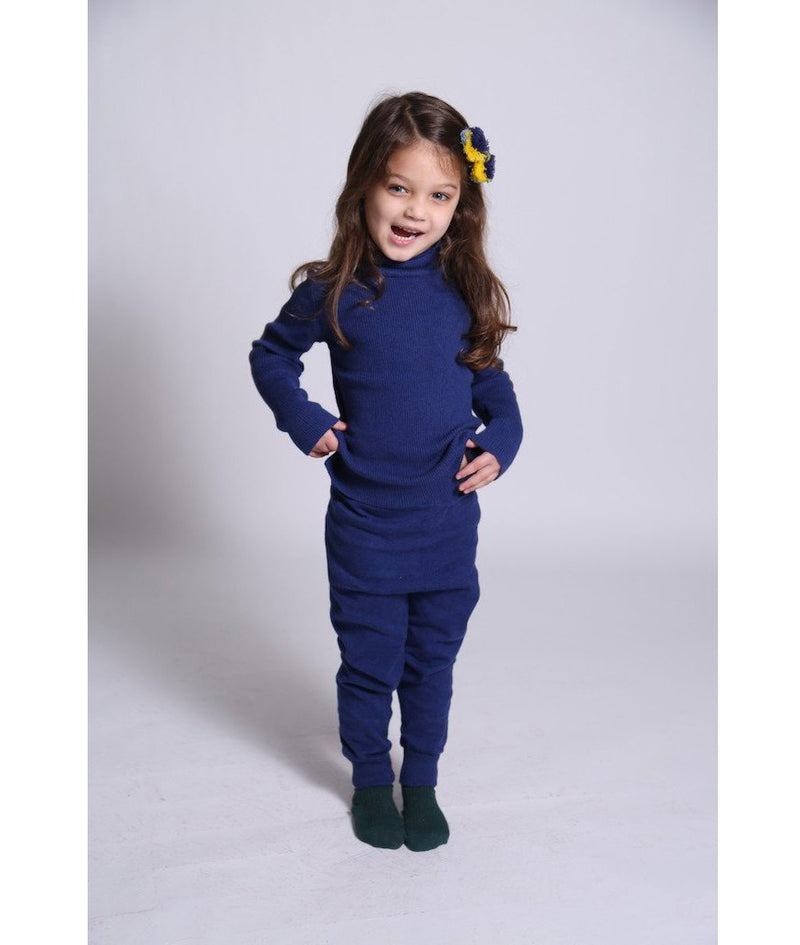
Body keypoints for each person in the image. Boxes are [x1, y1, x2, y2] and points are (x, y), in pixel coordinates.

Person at [249, 91, 523, 852]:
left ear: (461, 205)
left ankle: (422, 778)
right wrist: (303, 416)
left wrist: (504, 438)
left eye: (439, 195)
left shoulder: (463, 292)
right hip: (366, 523)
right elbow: (271, 355)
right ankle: (372, 777)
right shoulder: (334, 290)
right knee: (370, 662)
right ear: (365, 183)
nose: (415, 211)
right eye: (399, 187)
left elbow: (494, 386)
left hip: (445, 521)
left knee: (431, 661)